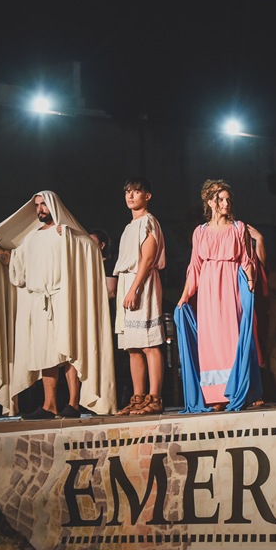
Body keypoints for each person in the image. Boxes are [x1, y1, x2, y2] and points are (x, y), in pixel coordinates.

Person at [0, 191, 116, 417]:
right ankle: (49, 404)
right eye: (37, 205)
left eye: (43, 204)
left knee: (70, 350)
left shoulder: (68, 234)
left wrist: (72, 238)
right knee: (45, 353)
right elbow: (14, 263)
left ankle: (73, 404)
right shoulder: (32, 238)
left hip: (63, 298)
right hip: (40, 303)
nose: (40, 209)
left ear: (54, 205)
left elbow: (91, 250)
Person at [176, 179, 265, 411]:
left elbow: (246, 260)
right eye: (221, 199)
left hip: (230, 284)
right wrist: (185, 296)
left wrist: (250, 283)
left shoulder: (238, 228)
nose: (226, 204)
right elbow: (195, 266)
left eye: (228, 199)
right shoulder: (200, 232)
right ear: (209, 202)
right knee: (210, 340)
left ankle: (239, 391)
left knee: (233, 337)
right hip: (208, 288)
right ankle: (215, 395)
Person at [112, 177, 167, 415]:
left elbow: (147, 258)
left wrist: (134, 288)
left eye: (136, 191)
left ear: (147, 196)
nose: (130, 196)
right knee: (132, 346)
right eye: (127, 192)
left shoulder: (148, 221)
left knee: (148, 343)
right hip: (127, 281)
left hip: (142, 282)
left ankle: (155, 398)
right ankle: (138, 397)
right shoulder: (129, 227)